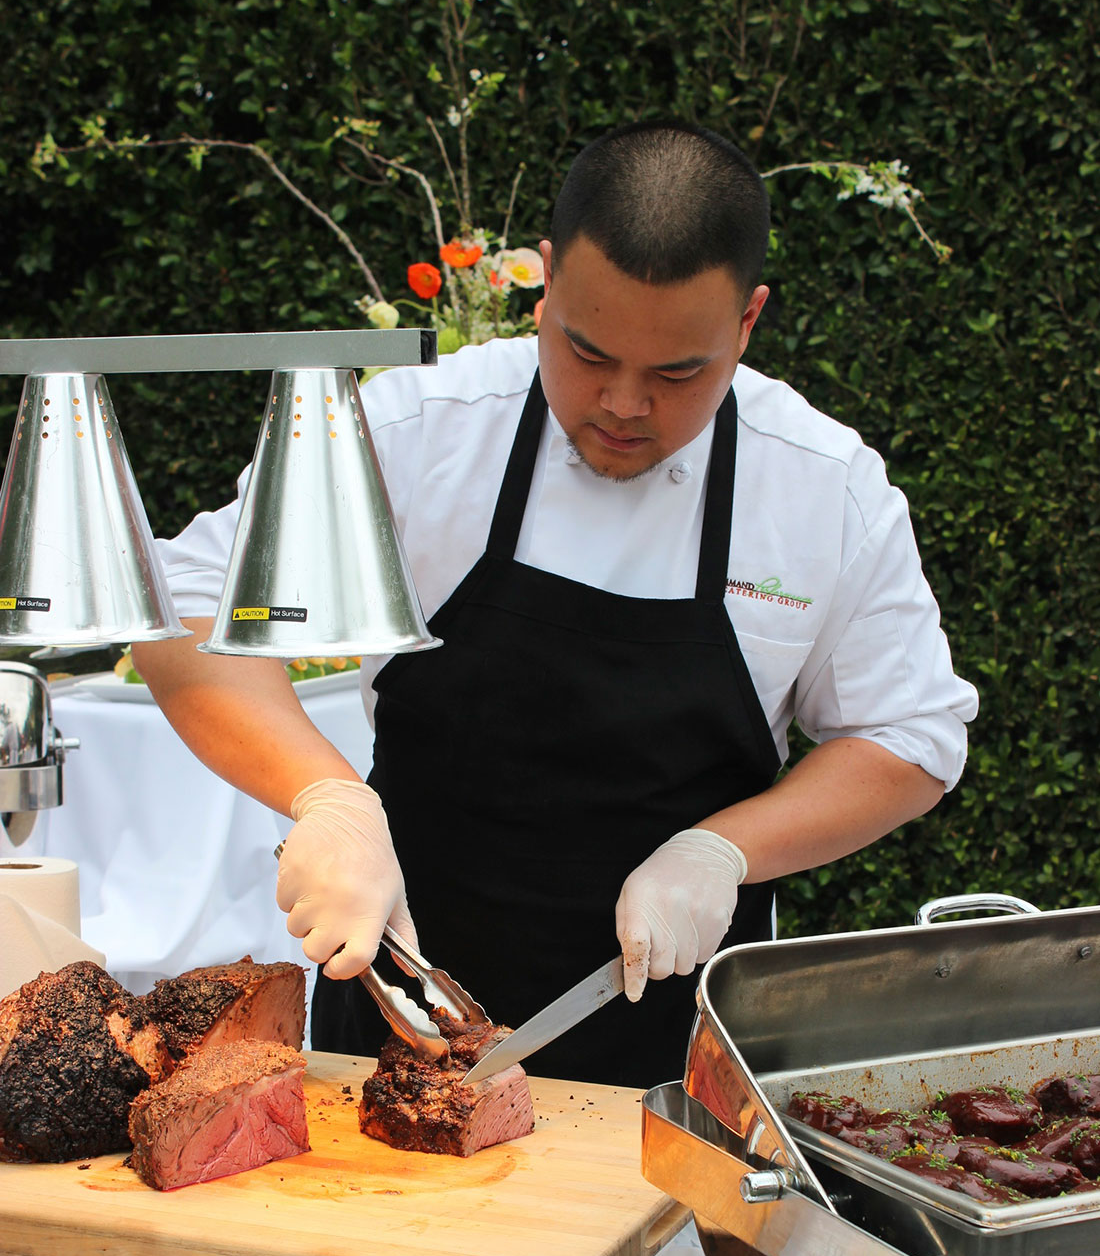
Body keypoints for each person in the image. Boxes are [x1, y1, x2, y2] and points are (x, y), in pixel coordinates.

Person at [134, 119, 978, 1089]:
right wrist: (326, 796)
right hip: (395, 1033)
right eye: (584, 351)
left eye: (676, 373)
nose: (622, 403)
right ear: (541, 284)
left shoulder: (821, 490)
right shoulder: (421, 431)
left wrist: (723, 850)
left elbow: (909, 735)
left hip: (677, 1069)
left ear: (746, 323)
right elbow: (186, 606)